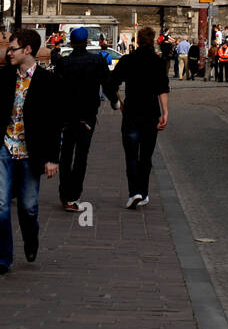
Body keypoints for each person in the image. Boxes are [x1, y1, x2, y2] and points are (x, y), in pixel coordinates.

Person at [0, 28, 62, 275]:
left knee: (28, 206)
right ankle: (3, 257)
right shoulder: (3, 78)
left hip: (31, 152)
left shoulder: (47, 83)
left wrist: (52, 158)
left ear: (27, 50)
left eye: (12, 48)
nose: (8, 53)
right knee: (1, 204)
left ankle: (31, 238)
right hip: (3, 149)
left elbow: (53, 123)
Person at [53, 26, 118, 210]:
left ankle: (65, 194)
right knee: (81, 156)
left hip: (66, 116)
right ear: (87, 41)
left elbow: (55, 90)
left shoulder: (63, 63)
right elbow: (107, 84)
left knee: (65, 155)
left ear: (72, 43)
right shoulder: (96, 61)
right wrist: (114, 102)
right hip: (87, 116)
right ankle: (73, 196)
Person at [107, 26, 169, 209]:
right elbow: (163, 89)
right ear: (153, 40)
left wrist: (118, 103)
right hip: (151, 113)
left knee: (131, 155)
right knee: (146, 156)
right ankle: (144, 192)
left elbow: (112, 83)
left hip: (132, 112)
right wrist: (165, 112)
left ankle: (134, 192)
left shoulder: (128, 60)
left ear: (138, 40)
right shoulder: (158, 62)